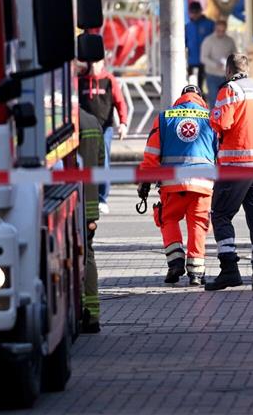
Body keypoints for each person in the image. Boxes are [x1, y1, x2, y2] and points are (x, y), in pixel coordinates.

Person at [206, 53, 253, 291]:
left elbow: (220, 123)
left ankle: (229, 269)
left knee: (220, 214)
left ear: (229, 71)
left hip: (235, 165)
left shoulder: (230, 91)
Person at [138, 85, 216, 286]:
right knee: (198, 223)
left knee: (169, 218)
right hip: (202, 183)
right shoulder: (210, 117)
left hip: (172, 183)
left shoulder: (164, 118)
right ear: (200, 98)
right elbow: (220, 152)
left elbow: (152, 154)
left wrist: (144, 183)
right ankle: (196, 273)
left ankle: (175, 262)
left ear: (181, 98)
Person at [77, 60, 129, 215]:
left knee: (103, 161)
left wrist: (123, 123)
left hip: (104, 127)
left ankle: (102, 198)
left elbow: (120, 102)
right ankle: (85, 196)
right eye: (91, 62)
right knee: (83, 162)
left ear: (102, 63)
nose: (93, 65)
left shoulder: (109, 80)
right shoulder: (81, 81)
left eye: (96, 62)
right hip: (85, 128)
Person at [77, 109, 104, 333]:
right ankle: (92, 315)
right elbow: (101, 160)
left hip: (70, 201)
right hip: (90, 204)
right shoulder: (92, 121)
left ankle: (78, 309)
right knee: (88, 255)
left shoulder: (60, 121)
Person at [200, 20, 236, 107]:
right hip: (212, 75)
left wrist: (229, 62)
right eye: (218, 31)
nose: (220, 33)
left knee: (227, 100)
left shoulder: (229, 41)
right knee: (213, 100)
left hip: (226, 75)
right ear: (215, 29)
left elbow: (235, 55)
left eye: (223, 31)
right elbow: (203, 58)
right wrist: (215, 64)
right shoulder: (208, 41)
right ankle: (213, 119)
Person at [186, 1, 215, 89]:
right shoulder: (188, 26)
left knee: (209, 83)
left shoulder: (209, 24)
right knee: (193, 84)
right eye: (192, 12)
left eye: (196, 12)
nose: (194, 15)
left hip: (207, 60)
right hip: (192, 60)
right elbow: (185, 43)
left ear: (200, 11)